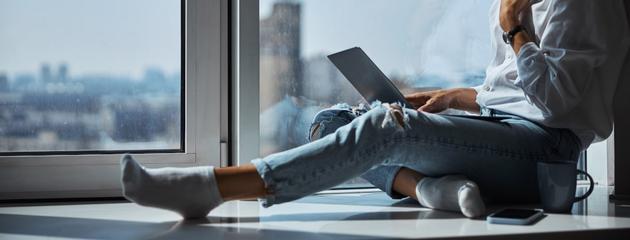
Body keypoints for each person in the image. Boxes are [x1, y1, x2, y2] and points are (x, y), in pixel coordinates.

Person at [120, 0, 629, 219]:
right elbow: (513, 88)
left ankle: (214, 187)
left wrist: (514, 27)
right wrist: (448, 98)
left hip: (546, 155)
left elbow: (557, 102)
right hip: (502, 130)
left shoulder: (575, 3)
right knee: (335, 118)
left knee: (385, 126)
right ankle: (430, 189)